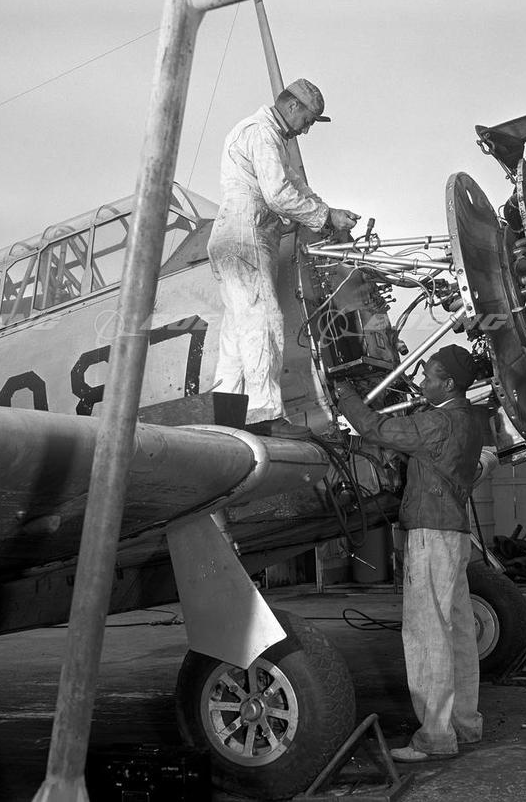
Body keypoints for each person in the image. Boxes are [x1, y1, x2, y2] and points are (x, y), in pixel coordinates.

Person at [333, 345, 486, 762]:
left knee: (426, 632)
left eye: (429, 377)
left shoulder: (439, 422)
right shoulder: (470, 420)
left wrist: (344, 394)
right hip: (454, 533)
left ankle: (435, 735)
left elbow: (376, 429)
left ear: (448, 384)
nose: (422, 383)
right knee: (457, 631)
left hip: (431, 533)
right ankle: (465, 724)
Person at [207, 78, 360, 439]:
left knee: (238, 331)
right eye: (307, 120)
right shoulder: (262, 133)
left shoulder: (268, 136)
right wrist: (325, 218)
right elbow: (277, 194)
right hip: (246, 233)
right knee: (264, 319)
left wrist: (329, 211)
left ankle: (227, 420)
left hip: (236, 233)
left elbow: (294, 184)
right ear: (292, 107)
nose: (306, 130)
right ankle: (264, 414)